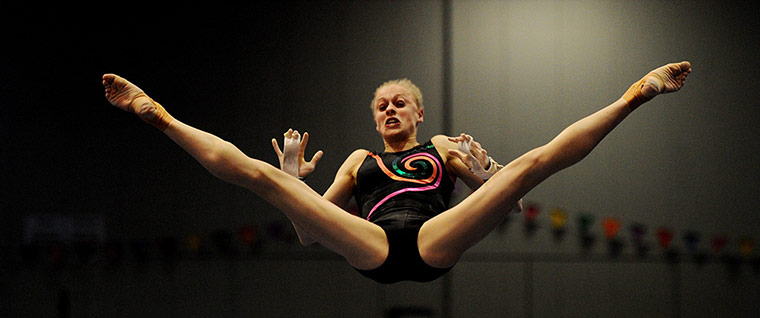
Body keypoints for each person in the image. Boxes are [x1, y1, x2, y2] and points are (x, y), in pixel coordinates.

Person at [102, 61, 691, 283]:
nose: (388, 110)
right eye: (380, 105)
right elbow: (311, 231)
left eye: (398, 103)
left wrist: (486, 173)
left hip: (435, 239)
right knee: (264, 177)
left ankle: (633, 96)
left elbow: (508, 209)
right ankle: (161, 117)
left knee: (530, 166)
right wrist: (294, 182)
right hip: (375, 243)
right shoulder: (360, 161)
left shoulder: (441, 144)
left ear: (418, 112)